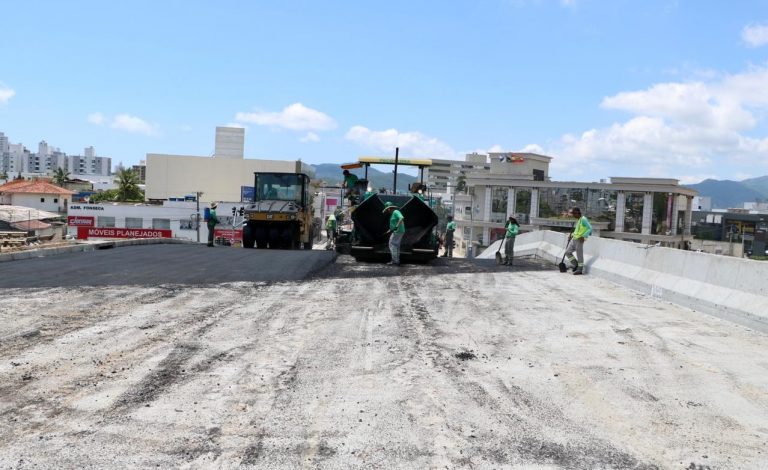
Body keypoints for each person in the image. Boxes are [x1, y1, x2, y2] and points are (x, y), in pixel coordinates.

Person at [565, 207, 592, 275]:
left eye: (574, 213)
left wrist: (584, 236)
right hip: (574, 238)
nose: (573, 215)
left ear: (577, 213)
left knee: (579, 255)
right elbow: (577, 230)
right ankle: (576, 264)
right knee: (567, 252)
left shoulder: (583, 219)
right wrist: (571, 235)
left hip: (579, 240)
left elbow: (590, 228)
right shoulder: (579, 220)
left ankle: (580, 269)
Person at [383, 201, 405, 266]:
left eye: (387, 210)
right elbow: (394, 223)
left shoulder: (396, 212)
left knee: (392, 244)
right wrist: (390, 230)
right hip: (398, 231)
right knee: (396, 246)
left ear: (389, 208)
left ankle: (394, 261)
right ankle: (396, 261)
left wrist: (396, 227)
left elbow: (401, 218)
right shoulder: (392, 214)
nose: (387, 211)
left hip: (397, 231)